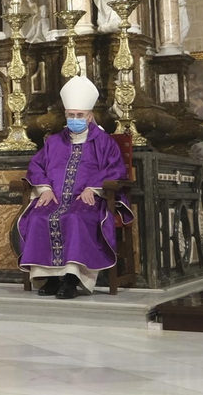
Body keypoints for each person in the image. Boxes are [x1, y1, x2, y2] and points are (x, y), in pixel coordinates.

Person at [17, 75, 132, 299]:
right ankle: (49, 279)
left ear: (89, 117)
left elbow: (116, 169)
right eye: (71, 115)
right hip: (56, 198)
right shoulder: (53, 142)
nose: (75, 119)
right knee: (39, 217)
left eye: (80, 115)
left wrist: (94, 188)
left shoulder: (104, 142)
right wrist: (45, 189)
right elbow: (36, 166)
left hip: (88, 200)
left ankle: (71, 280)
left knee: (75, 219)